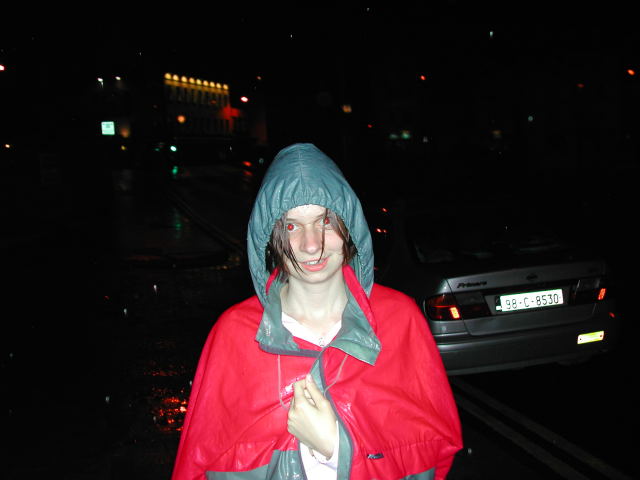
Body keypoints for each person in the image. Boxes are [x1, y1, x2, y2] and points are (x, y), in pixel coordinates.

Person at [171, 143, 462, 480]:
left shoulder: (400, 320)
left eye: (325, 222)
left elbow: (432, 457)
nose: (311, 245)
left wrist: (335, 447)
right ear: (270, 237)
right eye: (291, 226)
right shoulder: (235, 333)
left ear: (349, 226)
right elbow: (199, 465)